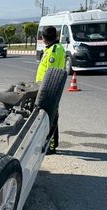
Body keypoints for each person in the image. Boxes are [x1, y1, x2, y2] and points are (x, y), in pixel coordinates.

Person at [36, 26, 66, 154]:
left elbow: (51, 74)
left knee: (51, 117)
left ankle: (51, 145)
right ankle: (50, 143)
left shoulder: (54, 50)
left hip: (49, 89)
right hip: (47, 88)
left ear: (44, 38)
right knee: (50, 116)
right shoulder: (53, 48)